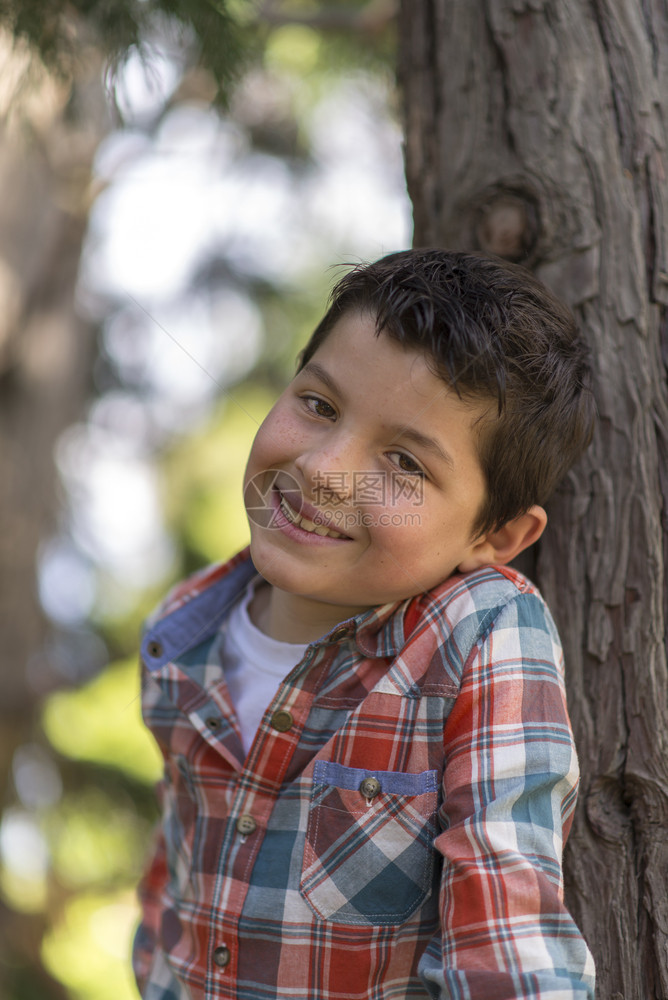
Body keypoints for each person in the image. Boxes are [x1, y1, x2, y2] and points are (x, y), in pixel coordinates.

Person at [133, 248, 597, 999]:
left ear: (496, 537)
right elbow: (174, 883)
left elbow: (506, 942)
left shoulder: (480, 635)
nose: (323, 469)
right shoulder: (181, 635)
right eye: (318, 405)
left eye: (406, 465)